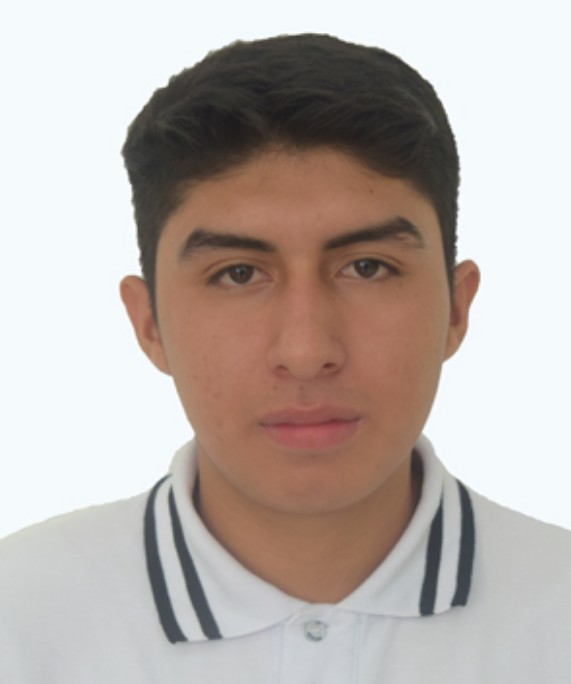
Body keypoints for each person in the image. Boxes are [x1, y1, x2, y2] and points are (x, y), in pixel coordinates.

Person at [0, 33, 569, 683]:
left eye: (366, 267)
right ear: (149, 322)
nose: (305, 353)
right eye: (238, 273)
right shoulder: (18, 623)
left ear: (456, 309)